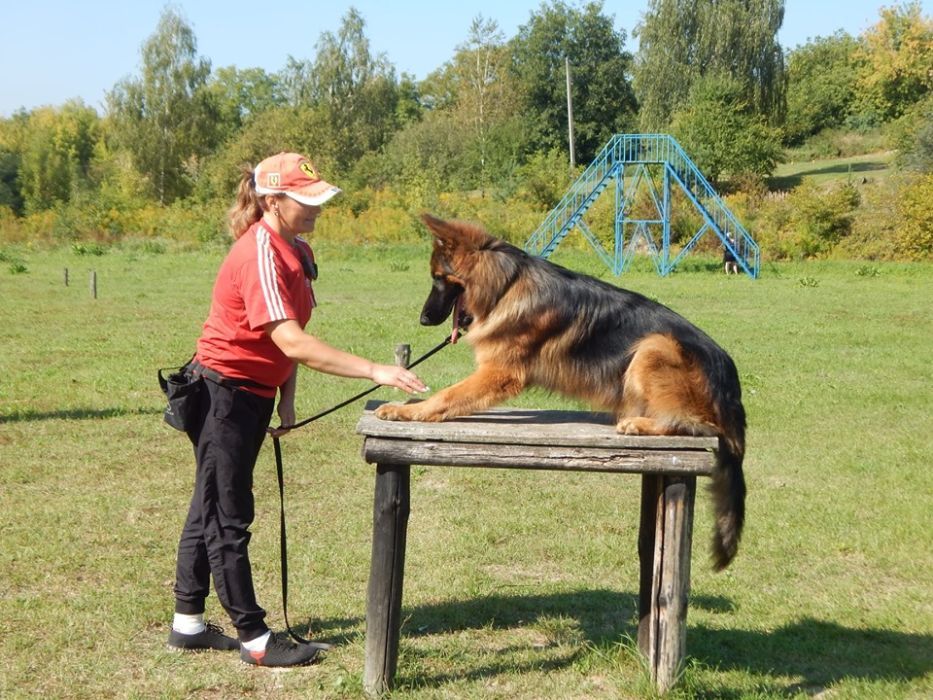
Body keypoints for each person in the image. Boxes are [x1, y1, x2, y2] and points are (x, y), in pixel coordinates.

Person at [166, 152, 427, 667]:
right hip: (223, 394)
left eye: (317, 199)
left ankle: (187, 623)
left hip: (254, 394)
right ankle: (255, 638)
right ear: (271, 200)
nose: (315, 208)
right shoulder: (259, 251)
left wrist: (286, 398)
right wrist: (376, 369)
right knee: (228, 515)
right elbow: (292, 340)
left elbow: (290, 336)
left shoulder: (295, 249)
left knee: (211, 502)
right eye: (304, 200)